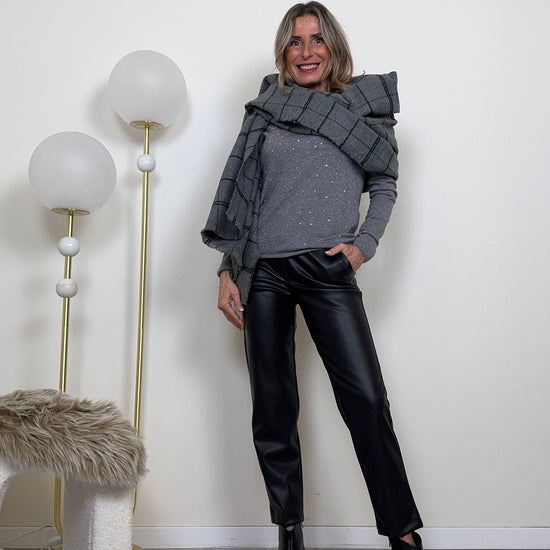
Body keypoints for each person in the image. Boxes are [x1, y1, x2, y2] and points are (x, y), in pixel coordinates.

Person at [201, 3, 423, 549]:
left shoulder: (365, 107)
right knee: (273, 408)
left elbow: (385, 182)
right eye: (295, 41)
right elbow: (246, 198)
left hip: (328, 269)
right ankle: (290, 531)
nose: (306, 52)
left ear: (334, 47)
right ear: (283, 50)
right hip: (264, 272)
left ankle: (402, 533)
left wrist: (362, 247)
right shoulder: (267, 108)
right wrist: (229, 269)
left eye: (316, 40)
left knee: (366, 399)